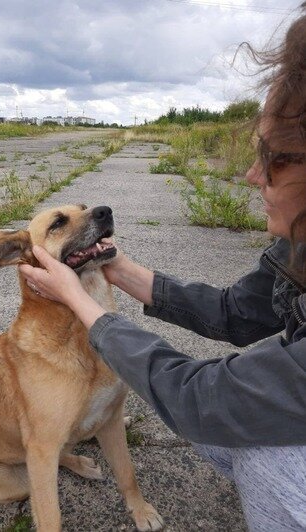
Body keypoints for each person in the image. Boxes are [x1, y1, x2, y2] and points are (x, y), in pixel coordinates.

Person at [19, 8, 306, 531]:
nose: (249, 175)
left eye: (277, 156)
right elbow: (237, 314)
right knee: (222, 398)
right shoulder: (298, 250)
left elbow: (203, 398)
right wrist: (122, 270)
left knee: (257, 446)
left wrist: (83, 304)